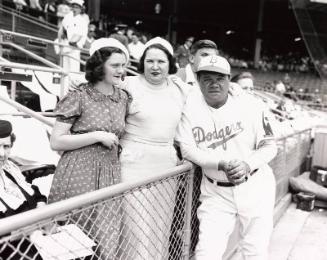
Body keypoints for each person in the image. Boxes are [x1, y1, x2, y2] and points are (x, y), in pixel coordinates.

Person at [176, 55, 277, 260]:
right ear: (198, 80)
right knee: (207, 253)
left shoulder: (251, 105)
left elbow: (269, 146)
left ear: (229, 79)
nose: (214, 83)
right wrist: (220, 163)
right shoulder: (190, 108)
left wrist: (247, 165)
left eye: (220, 78)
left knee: (255, 251)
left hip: (256, 185)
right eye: (207, 78)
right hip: (216, 191)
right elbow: (187, 150)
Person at [48, 38, 131, 259]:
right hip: (79, 171)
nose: (121, 70)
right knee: (76, 236)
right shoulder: (79, 96)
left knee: (106, 236)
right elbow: (56, 141)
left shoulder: (122, 97)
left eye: (123, 65)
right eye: (115, 65)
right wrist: (96, 136)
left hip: (110, 173)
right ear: (99, 66)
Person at [119, 37, 189, 260]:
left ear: (170, 64)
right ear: (142, 62)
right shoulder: (127, 84)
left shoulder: (180, 89)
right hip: (133, 162)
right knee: (136, 226)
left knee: (160, 224)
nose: (155, 66)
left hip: (166, 164)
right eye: (150, 61)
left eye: (161, 61)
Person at [0, 119, 46, 259]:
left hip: (36, 240)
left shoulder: (10, 170)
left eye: (6, 146)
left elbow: (35, 194)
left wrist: (42, 208)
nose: (2, 154)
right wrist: (32, 229)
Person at [58, 0, 89, 73]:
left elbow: (80, 35)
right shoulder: (67, 17)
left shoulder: (82, 20)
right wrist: (60, 40)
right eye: (73, 7)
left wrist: (73, 42)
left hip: (74, 48)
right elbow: (61, 29)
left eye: (77, 7)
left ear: (80, 9)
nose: (74, 9)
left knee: (73, 69)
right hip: (65, 46)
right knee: (63, 69)